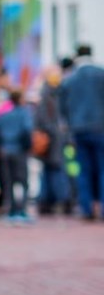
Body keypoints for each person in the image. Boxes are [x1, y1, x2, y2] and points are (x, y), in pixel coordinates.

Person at [59, 44, 104, 220]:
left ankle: (86, 209)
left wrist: (69, 125)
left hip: (79, 130)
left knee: (84, 170)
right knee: (102, 169)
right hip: (101, 128)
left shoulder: (70, 79)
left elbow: (63, 109)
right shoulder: (101, 74)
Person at [33, 64, 73, 215]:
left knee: (50, 171)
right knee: (55, 170)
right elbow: (43, 119)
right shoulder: (47, 95)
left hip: (53, 140)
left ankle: (47, 201)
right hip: (51, 141)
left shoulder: (54, 93)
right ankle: (59, 200)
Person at [0, 89, 34, 223]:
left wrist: (0, 146)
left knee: (7, 182)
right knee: (22, 181)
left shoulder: (4, 115)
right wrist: (26, 146)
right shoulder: (24, 114)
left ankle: (10, 209)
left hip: (5, 150)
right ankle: (21, 210)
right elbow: (27, 131)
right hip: (19, 150)